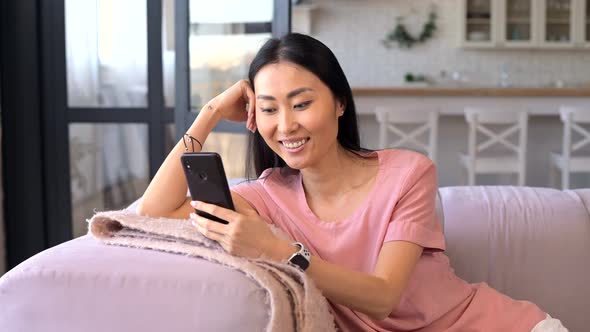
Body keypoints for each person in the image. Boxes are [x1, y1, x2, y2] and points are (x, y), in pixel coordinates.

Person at [137, 33, 567, 332]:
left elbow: (383, 298)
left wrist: (274, 250)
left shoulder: (408, 173)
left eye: (302, 103)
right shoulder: (266, 196)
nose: (286, 125)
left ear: (340, 102)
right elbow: (152, 212)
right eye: (268, 109)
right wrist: (209, 112)